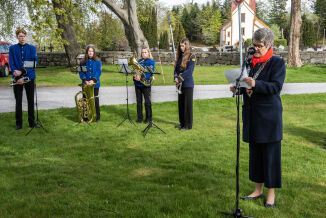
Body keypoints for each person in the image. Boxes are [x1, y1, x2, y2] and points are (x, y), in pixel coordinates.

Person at [230, 28, 286, 208]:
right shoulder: (249, 61)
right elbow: (246, 83)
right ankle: (257, 189)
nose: (256, 49)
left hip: (269, 118)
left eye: (259, 46)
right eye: (254, 45)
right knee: (255, 156)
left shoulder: (277, 62)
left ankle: (271, 193)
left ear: (269, 45)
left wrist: (256, 84)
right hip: (252, 115)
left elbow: (275, 87)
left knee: (270, 156)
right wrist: (237, 88)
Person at [9, 29, 38, 130]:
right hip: (17, 79)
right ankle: (19, 124)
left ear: (26, 37)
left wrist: (21, 72)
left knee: (31, 101)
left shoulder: (32, 48)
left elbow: (33, 64)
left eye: (24, 36)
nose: (22, 38)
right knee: (18, 102)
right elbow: (12, 64)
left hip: (30, 77)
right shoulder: (12, 48)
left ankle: (31, 123)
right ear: (17, 37)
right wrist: (18, 77)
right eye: (20, 36)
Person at [174, 38, 196, 130]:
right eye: (180, 45)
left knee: (187, 105)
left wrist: (180, 78)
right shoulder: (180, 56)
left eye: (183, 45)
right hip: (179, 84)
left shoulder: (192, 56)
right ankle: (182, 123)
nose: (181, 47)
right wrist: (175, 77)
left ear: (187, 45)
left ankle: (188, 125)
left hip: (187, 84)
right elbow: (176, 69)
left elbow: (189, 71)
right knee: (181, 104)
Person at [79, 44, 102, 122]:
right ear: (87, 52)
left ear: (94, 52)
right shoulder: (82, 62)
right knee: (85, 100)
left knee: (95, 100)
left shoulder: (98, 61)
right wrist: (85, 80)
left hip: (95, 84)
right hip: (86, 84)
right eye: (89, 51)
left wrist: (92, 80)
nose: (90, 52)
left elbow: (98, 72)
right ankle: (85, 117)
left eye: (92, 51)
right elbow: (81, 73)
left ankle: (97, 117)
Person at [133, 46, 155, 123]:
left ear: (148, 53)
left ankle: (148, 118)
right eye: (142, 52)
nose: (143, 53)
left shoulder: (151, 62)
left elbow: (149, 72)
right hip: (137, 84)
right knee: (139, 102)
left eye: (145, 52)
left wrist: (141, 76)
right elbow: (135, 70)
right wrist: (135, 76)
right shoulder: (138, 61)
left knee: (147, 102)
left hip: (146, 84)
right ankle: (140, 118)